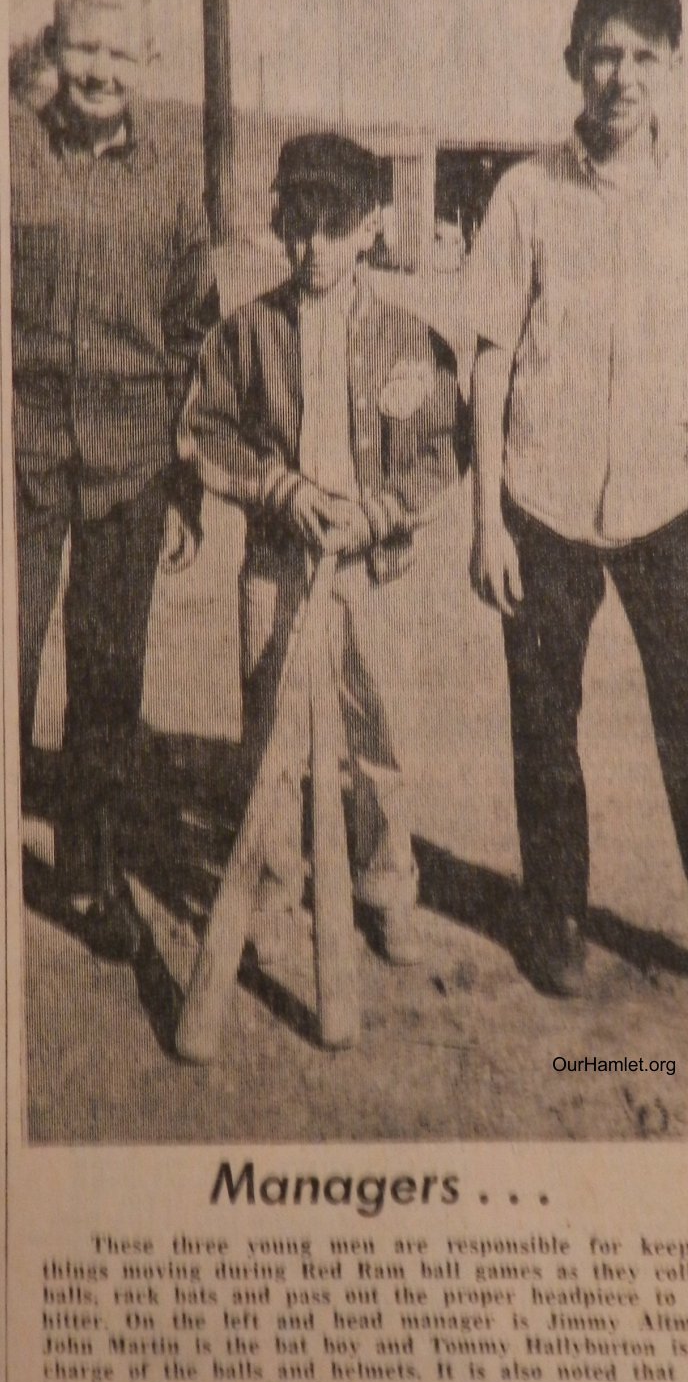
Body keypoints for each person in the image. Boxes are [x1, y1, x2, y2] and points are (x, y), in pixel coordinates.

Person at [467, 0, 688, 1000]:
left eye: (642, 55)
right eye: (602, 55)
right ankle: (555, 917)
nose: (620, 76)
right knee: (544, 717)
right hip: (540, 500)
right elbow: (489, 355)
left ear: (672, 64)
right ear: (571, 62)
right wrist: (487, 519)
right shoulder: (525, 193)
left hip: (659, 502)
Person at [183, 131, 463, 965]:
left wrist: (379, 513)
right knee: (271, 731)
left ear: (373, 227)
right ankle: (270, 884)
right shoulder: (248, 330)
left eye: (335, 228)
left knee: (377, 732)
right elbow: (208, 429)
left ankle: (384, 881)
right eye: (297, 227)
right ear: (278, 225)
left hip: (370, 568)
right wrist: (284, 491)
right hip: (279, 559)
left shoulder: (411, 338)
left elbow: (443, 447)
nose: (314, 248)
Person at [11, 0, 211, 961]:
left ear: (148, 63)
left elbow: (193, 338)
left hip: (132, 463)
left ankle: (89, 872)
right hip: (20, 455)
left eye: (119, 51)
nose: (98, 69)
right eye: (82, 46)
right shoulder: (12, 154)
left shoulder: (175, 180)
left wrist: (185, 482)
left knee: (107, 675)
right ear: (52, 51)